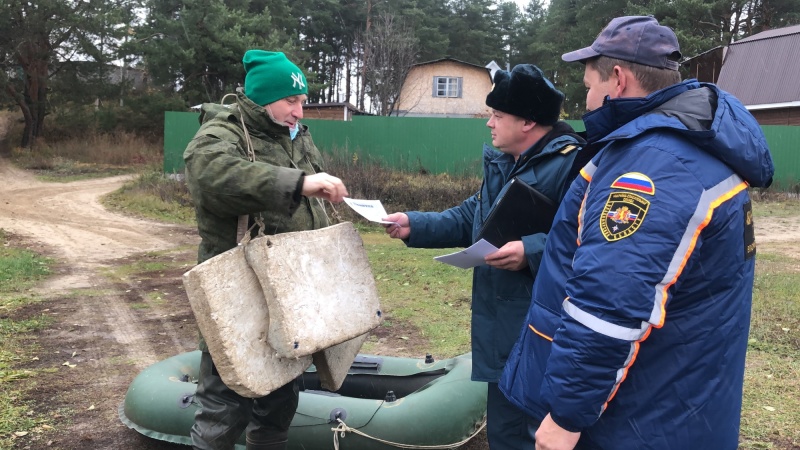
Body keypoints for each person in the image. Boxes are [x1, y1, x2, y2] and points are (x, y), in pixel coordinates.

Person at [500, 16, 775, 450]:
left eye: (589, 85)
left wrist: (566, 416)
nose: (586, 100)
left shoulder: (650, 163)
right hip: (673, 403)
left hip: (636, 421)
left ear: (618, 79)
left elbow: (607, 307)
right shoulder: (684, 147)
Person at [384, 64, 585, 450]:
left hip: (541, 330)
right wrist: (414, 224)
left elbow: (586, 239)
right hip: (500, 330)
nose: (489, 124)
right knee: (505, 434)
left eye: (497, 115)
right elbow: (472, 216)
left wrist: (531, 251)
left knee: (531, 434)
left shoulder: (574, 165)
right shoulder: (505, 163)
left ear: (527, 121)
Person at [183, 50, 348, 450]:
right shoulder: (223, 133)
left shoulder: (295, 135)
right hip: (239, 294)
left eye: (302, 100)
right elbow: (209, 174)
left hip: (292, 294)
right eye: (291, 100)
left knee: (279, 404)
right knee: (223, 409)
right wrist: (298, 184)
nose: (299, 110)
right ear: (262, 98)